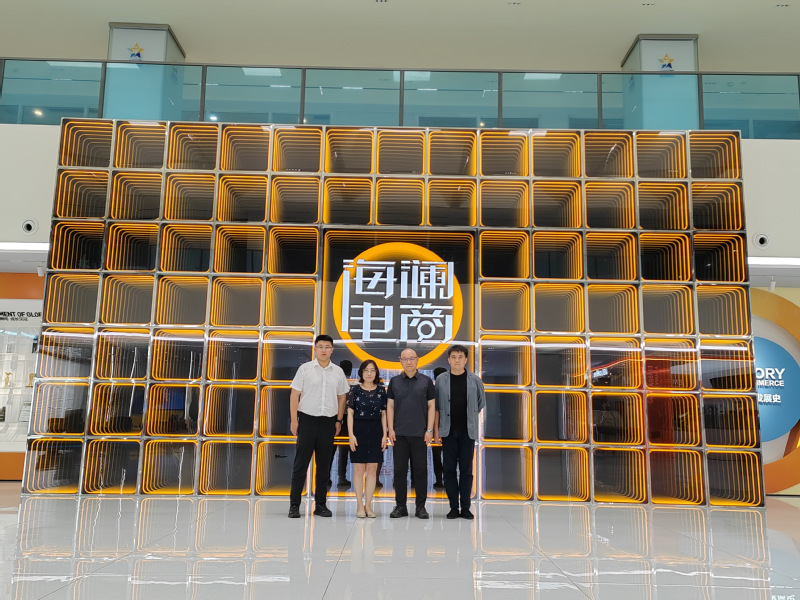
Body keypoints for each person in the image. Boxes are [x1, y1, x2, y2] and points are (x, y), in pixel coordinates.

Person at [287, 334, 350, 519]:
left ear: (332, 350)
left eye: (327, 347)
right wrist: (294, 420)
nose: (324, 350)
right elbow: (294, 395)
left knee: (324, 466)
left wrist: (339, 420)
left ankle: (321, 505)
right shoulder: (305, 369)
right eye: (320, 346)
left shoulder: (338, 372)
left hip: (328, 422)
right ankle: (294, 505)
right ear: (315, 349)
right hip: (307, 420)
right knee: (300, 465)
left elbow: (342, 397)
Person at [434, 344, 486, 520]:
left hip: (467, 432)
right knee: (448, 470)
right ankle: (453, 507)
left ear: (466, 359)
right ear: (448, 360)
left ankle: (465, 507)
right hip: (447, 431)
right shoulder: (441, 379)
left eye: (460, 357)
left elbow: (480, 402)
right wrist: (436, 430)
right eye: (453, 357)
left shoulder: (475, 380)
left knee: (466, 470)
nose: (457, 360)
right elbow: (437, 407)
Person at [387, 347, 435, 519]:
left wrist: (430, 430)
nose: (408, 362)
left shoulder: (426, 381)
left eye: (411, 358)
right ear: (400, 361)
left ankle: (420, 507)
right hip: (399, 434)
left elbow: (431, 406)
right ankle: (400, 506)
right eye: (405, 359)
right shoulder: (394, 382)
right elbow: (390, 406)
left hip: (420, 434)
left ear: (417, 360)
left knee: (420, 471)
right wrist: (390, 429)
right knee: (399, 471)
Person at [347, 359, 388, 518]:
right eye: (366, 370)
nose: (369, 373)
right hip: (359, 430)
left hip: (376, 431)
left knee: (372, 470)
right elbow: (350, 413)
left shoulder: (381, 390)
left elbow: (384, 414)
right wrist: (351, 435)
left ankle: (368, 505)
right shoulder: (355, 390)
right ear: (361, 373)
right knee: (358, 470)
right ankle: (359, 505)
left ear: (376, 373)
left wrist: (384, 435)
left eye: (372, 370)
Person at [330, 359, 353, 488]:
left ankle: (326, 477)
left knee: (330, 449)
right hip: (346, 418)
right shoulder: (351, 383)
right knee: (344, 450)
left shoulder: (335, 382)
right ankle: (341, 477)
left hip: (333, 418)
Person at [431, 366, 447, 489]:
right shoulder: (448, 390)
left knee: (437, 457)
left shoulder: (433, 390)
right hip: (447, 429)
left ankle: (439, 480)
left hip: (435, 429)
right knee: (447, 457)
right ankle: (446, 480)